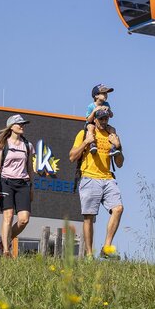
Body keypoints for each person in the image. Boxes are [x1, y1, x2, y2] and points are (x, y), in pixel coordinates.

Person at [68, 106, 124, 256]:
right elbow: (72, 156)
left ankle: (106, 248)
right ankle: (89, 254)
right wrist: (86, 141)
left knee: (118, 209)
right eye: (101, 119)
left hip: (108, 178)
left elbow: (119, 163)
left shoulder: (112, 135)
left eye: (106, 118)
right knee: (89, 216)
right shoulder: (84, 133)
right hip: (89, 177)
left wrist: (118, 146)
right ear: (95, 119)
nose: (104, 121)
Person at [0, 114, 34, 258]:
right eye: (19, 124)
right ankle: (6, 251)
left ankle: (6, 240)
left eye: (23, 124)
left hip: (23, 183)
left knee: (24, 219)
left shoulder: (27, 145)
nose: (22, 126)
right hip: (6, 182)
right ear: (11, 127)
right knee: (8, 216)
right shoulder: (2, 144)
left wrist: (31, 187)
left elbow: (30, 168)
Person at [85, 84, 121, 156]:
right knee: (90, 127)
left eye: (106, 93)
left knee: (112, 129)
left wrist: (109, 110)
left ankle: (113, 148)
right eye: (103, 93)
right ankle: (92, 144)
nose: (106, 95)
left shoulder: (106, 104)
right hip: (92, 123)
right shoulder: (91, 106)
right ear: (96, 96)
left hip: (103, 124)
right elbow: (88, 119)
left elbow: (111, 116)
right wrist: (94, 111)